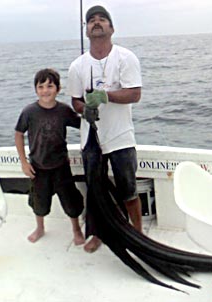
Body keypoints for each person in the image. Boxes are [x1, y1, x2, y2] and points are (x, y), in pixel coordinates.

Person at [66, 5, 142, 253]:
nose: (96, 23)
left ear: (112, 28)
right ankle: (97, 234)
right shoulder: (77, 66)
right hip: (91, 138)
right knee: (95, 190)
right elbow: (75, 100)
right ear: (86, 30)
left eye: (102, 19)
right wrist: (83, 109)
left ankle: (138, 235)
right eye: (91, 21)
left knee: (128, 189)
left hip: (121, 136)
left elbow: (135, 94)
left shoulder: (126, 57)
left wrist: (105, 96)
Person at [15, 68, 85, 244]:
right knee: (39, 203)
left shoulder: (64, 110)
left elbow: (83, 125)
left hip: (61, 166)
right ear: (36, 89)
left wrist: (87, 108)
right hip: (38, 167)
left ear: (58, 89)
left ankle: (76, 229)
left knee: (71, 202)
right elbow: (18, 133)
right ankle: (40, 228)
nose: (45, 90)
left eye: (50, 86)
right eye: (41, 86)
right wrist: (24, 162)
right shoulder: (29, 112)